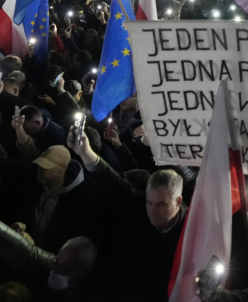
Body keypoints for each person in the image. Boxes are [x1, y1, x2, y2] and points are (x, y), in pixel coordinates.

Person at [66, 126, 185, 301]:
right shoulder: (139, 205)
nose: (152, 211)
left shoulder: (192, 230)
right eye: (149, 202)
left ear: (178, 202)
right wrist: (86, 153)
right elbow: (113, 184)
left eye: (160, 205)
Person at [0, 188, 110, 301]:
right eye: (56, 262)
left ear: (80, 272)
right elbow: (27, 252)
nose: (55, 270)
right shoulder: (54, 265)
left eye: (63, 269)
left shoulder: (92, 296)